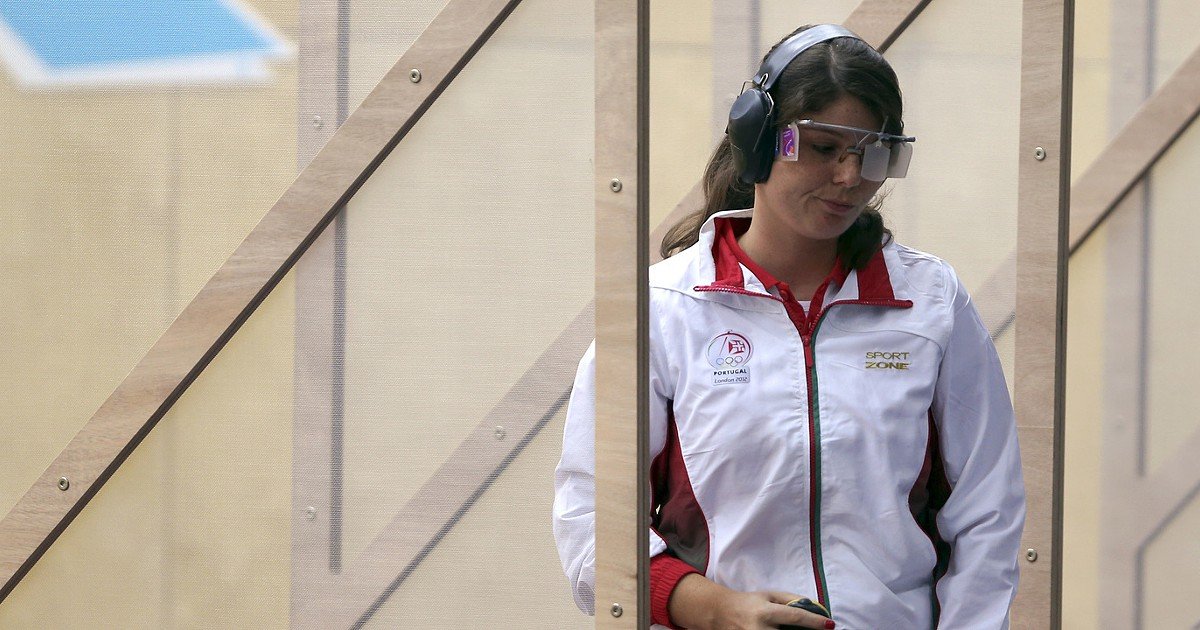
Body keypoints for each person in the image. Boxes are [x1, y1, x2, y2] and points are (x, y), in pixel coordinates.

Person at [553, 23, 1024, 630]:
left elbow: (989, 508)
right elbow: (592, 518)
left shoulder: (931, 301)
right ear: (756, 140)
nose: (851, 177)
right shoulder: (661, 309)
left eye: (873, 153)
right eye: (824, 148)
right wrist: (715, 609)